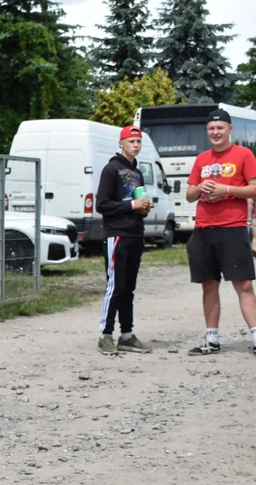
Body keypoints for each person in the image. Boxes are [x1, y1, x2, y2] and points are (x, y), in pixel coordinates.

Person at [184, 108, 256, 358]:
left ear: (229, 129)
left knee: (244, 284)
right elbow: (190, 194)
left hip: (232, 227)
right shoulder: (202, 158)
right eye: (211, 129)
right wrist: (201, 187)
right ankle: (211, 339)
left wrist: (226, 188)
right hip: (204, 228)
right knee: (208, 284)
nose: (215, 132)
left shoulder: (243, 154)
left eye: (220, 128)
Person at [95, 125, 154, 356]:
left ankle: (127, 335)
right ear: (121, 143)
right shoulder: (111, 169)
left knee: (129, 288)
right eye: (131, 141)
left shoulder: (137, 172)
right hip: (116, 234)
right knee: (115, 287)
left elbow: (138, 200)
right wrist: (131, 205)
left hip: (135, 233)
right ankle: (105, 335)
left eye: (138, 142)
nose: (135, 146)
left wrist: (143, 208)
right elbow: (102, 205)